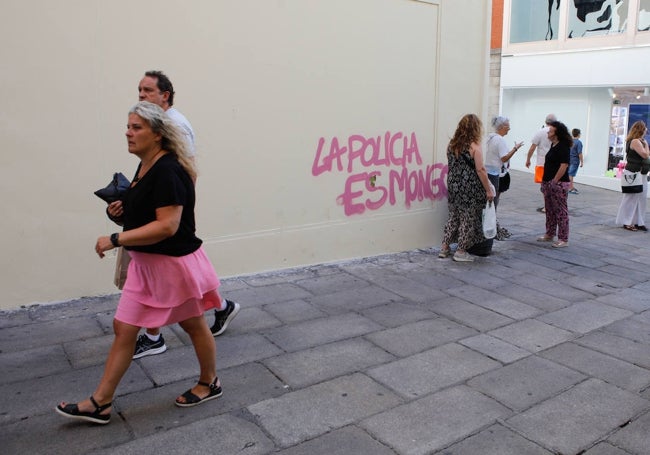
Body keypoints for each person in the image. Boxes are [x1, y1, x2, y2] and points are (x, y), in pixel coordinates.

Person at [56, 102, 225, 425]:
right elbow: (146, 209)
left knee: (193, 324)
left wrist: (116, 238)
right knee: (124, 328)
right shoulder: (146, 165)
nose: (128, 132)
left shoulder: (168, 170)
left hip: (173, 266)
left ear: (157, 135)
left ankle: (209, 382)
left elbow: (168, 226)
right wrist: (120, 210)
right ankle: (100, 402)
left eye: (136, 128)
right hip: (146, 266)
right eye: (128, 126)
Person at [133, 71, 239, 358]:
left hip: (172, 211)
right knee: (169, 274)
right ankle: (218, 308)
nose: (141, 95)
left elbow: (186, 168)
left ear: (164, 95)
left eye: (147, 90)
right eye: (139, 90)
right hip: (166, 209)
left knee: (176, 272)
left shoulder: (174, 123)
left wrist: (178, 211)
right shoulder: (158, 122)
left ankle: (159, 334)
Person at [439, 114, 495, 262]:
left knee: (453, 216)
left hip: (453, 185)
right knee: (467, 218)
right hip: (469, 187)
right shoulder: (474, 146)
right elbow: (480, 169)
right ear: (476, 129)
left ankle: (444, 248)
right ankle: (461, 251)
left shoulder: (452, 145)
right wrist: (488, 189)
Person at [485, 116, 523, 240]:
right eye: (508, 126)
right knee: (493, 202)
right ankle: (490, 229)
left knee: (489, 201)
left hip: (488, 172)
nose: (509, 128)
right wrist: (515, 148)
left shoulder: (489, 137)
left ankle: (490, 227)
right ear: (501, 127)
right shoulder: (500, 140)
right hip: (495, 173)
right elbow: (504, 158)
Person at [537, 120, 572, 248]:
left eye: (550, 131)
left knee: (560, 211)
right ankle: (550, 233)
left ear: (557, 133)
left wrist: (555, 181)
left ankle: (563, 238)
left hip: (558, 183)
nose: (548, 132)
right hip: (548, 182)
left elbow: (564, 165)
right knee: (550, 209)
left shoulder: (563, 146)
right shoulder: (554, 145)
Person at [615, 121, 650, 231]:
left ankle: (639, 222)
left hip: (641, 174)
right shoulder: (635, 141)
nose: (646, 130)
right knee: (631, 198)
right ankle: (627, 221)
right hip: (634, 174)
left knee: (641, 198)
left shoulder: (641, 141)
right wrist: (647, 146)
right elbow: (645, 154)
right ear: (641, 129)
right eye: (645, 128)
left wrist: (645, 144)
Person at [526, 114, 557, 213]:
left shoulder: (540, 132)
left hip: (542, 163)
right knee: (553, 185)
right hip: (555, 163)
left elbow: (532, 147)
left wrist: (528, 159)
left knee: (544, 186)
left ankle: (547, 206)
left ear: (545, 121)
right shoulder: (558, 132)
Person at [568, 128, 584, 194]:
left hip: (569, 160)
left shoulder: (570, 141)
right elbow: (579, 153)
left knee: (569, 174)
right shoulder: (579, 143)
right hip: (575, 161)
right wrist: (582, 161)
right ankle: (570, 188)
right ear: (579, 134)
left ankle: (571, 186)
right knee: (571, 174)